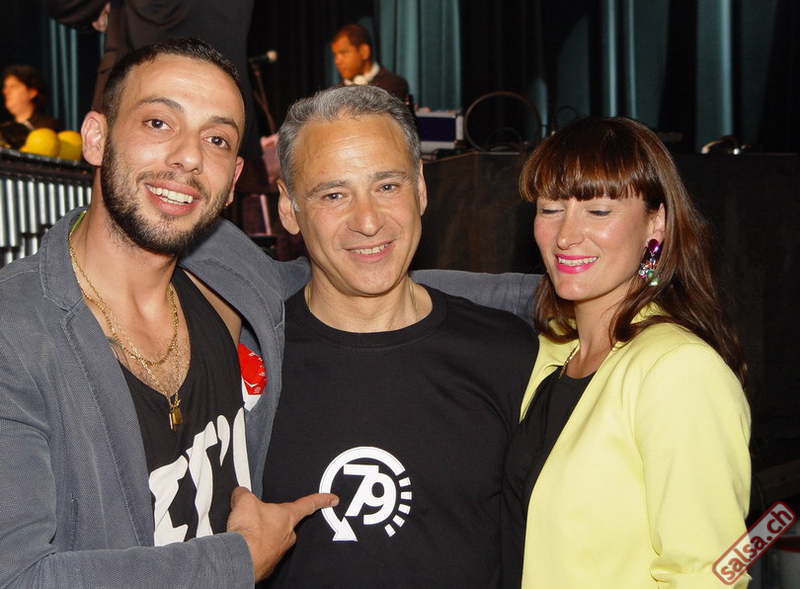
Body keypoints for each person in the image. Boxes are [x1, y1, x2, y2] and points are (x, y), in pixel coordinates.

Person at [0, 37, 539, 588]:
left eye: (215, 138)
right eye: (158, 123)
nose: (188, 156)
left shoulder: (227, 277)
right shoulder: (15, 334)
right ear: (95, 137)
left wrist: (557, 296)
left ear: (234, 177)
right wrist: (238, 561)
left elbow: (359, 279)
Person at [259, 85, 537, 587]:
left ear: (421, 189)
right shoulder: (247, 368)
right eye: (334, 195)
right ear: (288, 207)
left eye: (387, 186)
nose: (368, 222)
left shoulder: (511, 355)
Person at [503, 116, 751, 588]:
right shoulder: (552, 353)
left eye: (598, 211)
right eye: (550, 208)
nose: (566, 235)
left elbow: (709, 576)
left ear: (656, 223)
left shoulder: (679, 371)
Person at [45, 0, 262, 161]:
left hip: (141, 91)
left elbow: (66, 1)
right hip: (225, 104)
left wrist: (105, 7)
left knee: (123, 197)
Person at [331, 23, 410, 102]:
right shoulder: (336, 92)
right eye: (335, 55)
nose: (337, 61)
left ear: (364, 52)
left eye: (344, 53)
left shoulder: (393, 85)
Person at [0, 65, 63, 149]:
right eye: (5, 87)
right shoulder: (5, 128)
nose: (6, 91)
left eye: (13, 86)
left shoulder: (48, 126)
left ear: (32, 92)